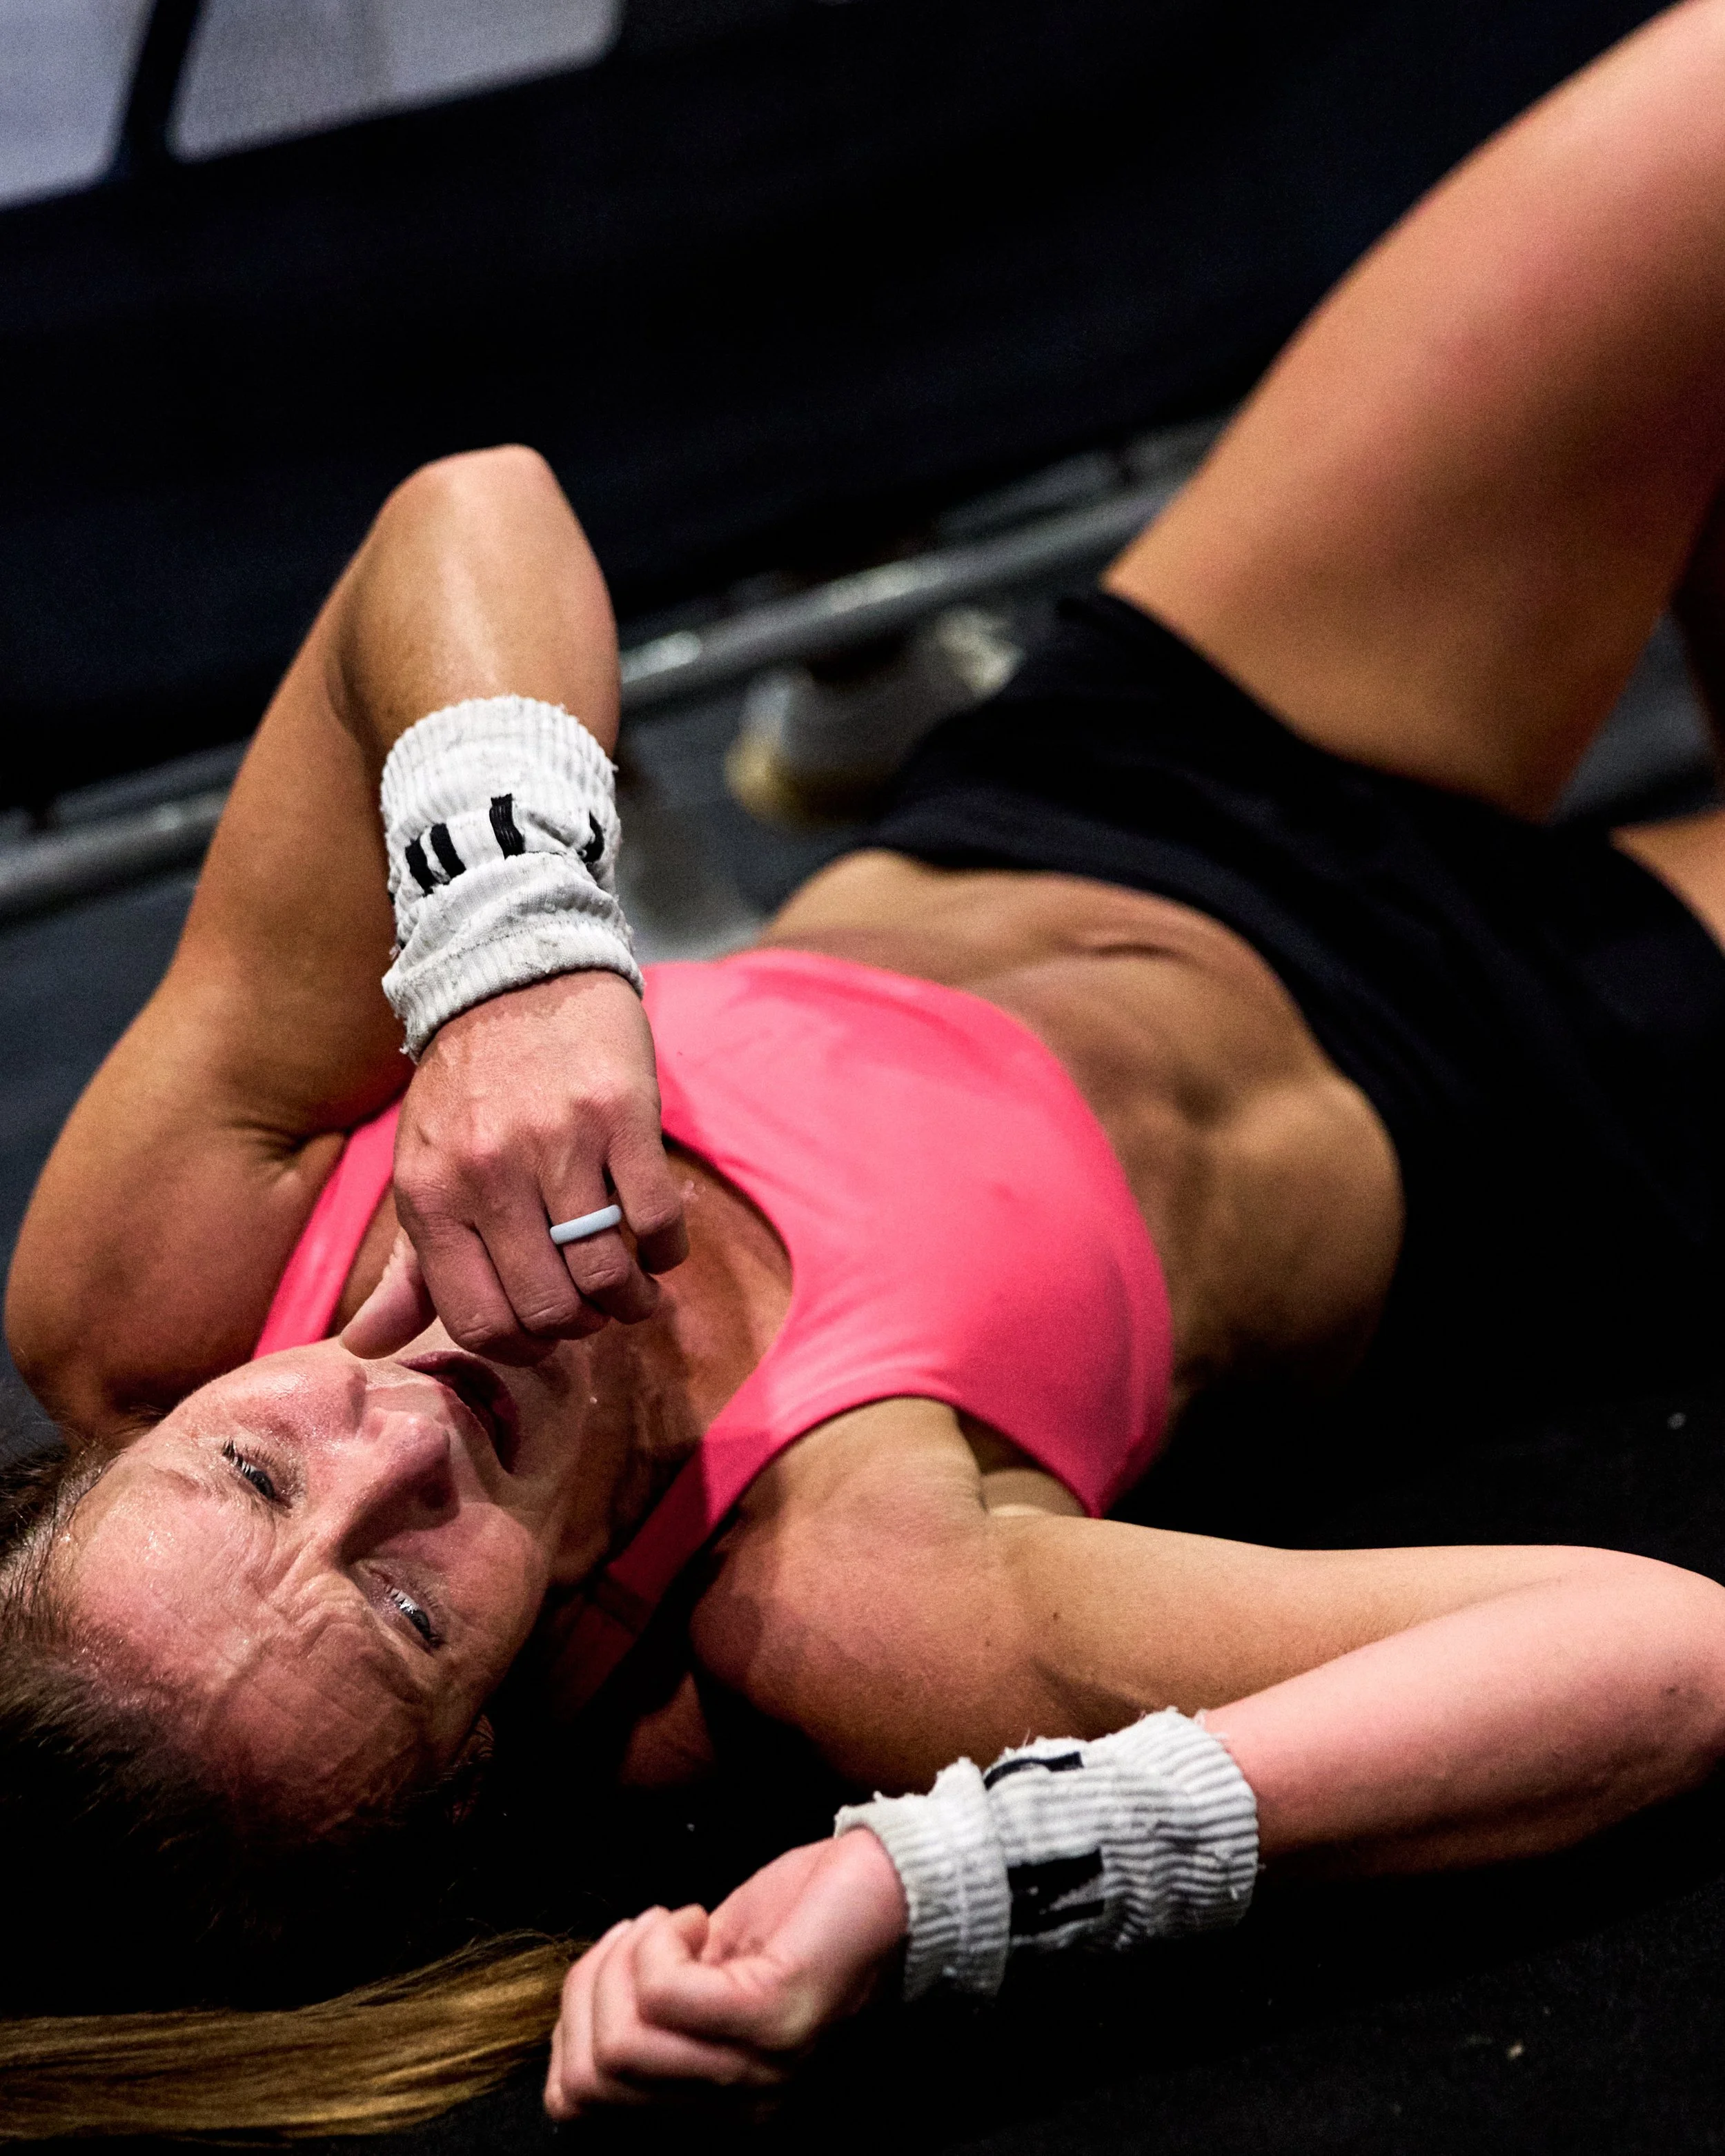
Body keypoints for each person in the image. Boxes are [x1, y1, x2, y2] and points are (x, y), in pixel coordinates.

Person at [10, 0, 1725, 2135]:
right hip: (1526, 1072)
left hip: (1137, 779)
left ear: (100, 1468)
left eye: (252, 1474)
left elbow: (465, 514)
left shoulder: (154, 1274)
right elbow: (1669, 1656)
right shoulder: (851, 1611)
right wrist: (953, 1870)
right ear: (476, 1763)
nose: (397, 1441)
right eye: (406, 1610)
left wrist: (506, 962)